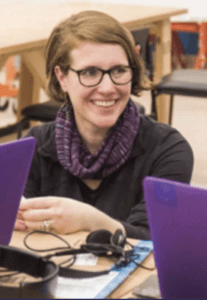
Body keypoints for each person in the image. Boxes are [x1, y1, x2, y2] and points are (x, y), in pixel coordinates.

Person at [15, 10, 193, 240]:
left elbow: (155, 244)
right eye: (90, 72)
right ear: (62, 78)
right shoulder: (33, 147)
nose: (108, 87)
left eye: (119, 70)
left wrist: (90, 221)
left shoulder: (167, 151)